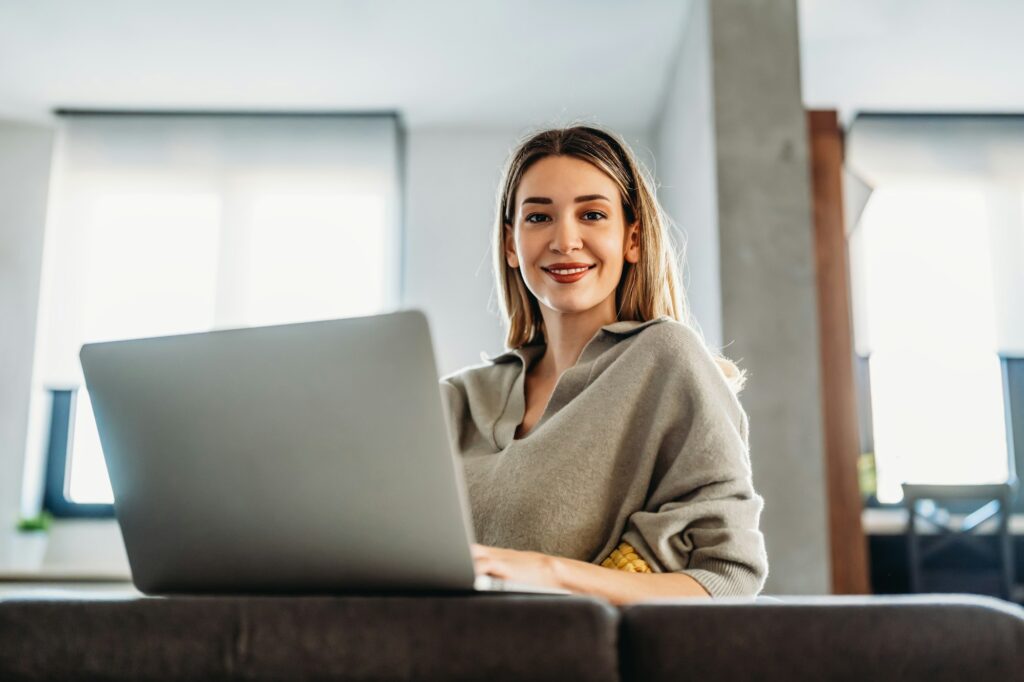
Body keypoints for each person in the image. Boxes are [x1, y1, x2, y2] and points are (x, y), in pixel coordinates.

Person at [440, 125, 768, 605]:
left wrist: (544, 572)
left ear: (631, 239)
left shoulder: (666, 360)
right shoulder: (457, 399)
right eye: (538, 218)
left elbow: (727, 578)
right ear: (511, 245)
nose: (565, 240)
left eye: (592, 214)